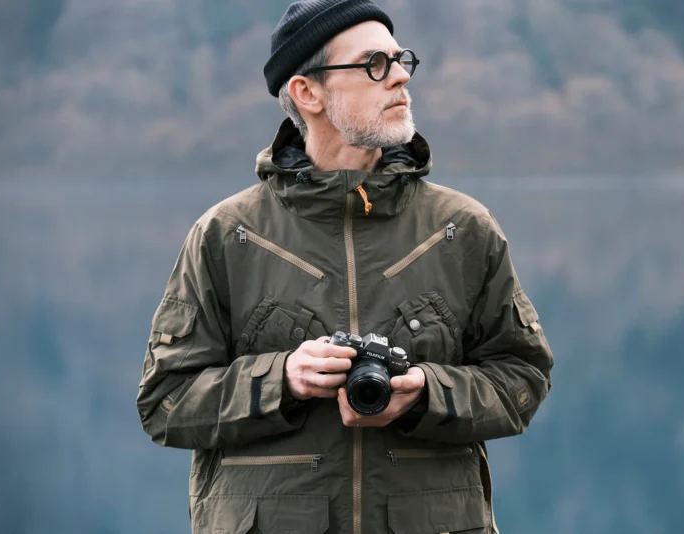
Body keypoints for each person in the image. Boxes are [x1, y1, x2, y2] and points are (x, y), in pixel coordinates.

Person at [136, 1, 554, 532]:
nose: (400, 76)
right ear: (307, 93)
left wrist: (425, 391)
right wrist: (282, 378)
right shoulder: (227, 235)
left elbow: (523, 377)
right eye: (374, 64)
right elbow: (165, 402)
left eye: (401, 59)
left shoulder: (461, 229)